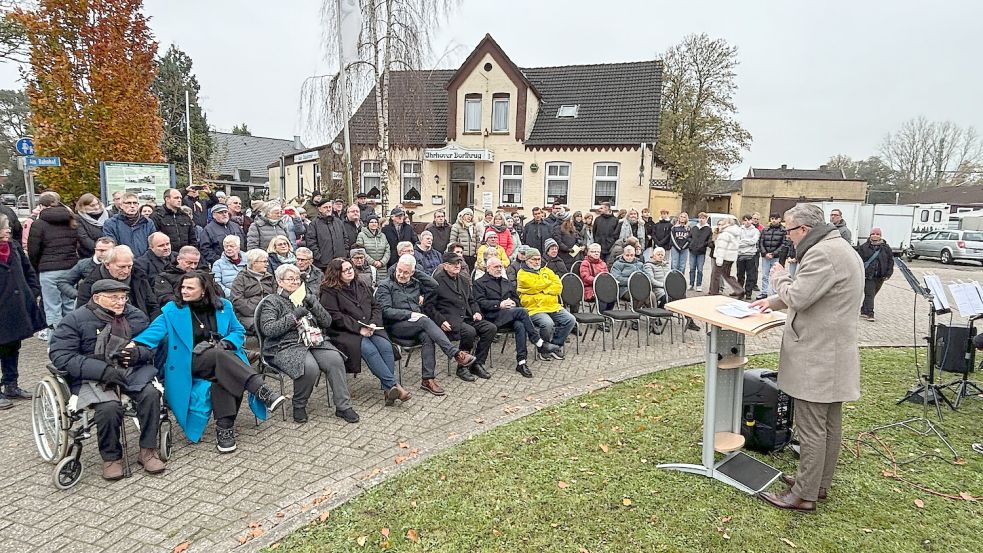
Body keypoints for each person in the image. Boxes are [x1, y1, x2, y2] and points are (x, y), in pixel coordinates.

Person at [751, 204, 863, 513]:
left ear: (803, 230)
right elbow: (817, 294)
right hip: (833, 353)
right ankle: (817, 483)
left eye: (788, 230)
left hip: (818, 356)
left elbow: (799, 296)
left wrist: (779, 278)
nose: (787, 237)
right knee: (829, 425)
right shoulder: (839, 247)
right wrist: (773, 302)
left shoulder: (820, 253)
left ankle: (803, 495)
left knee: (812, 427)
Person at [135, 272, 285, 453]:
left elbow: (238, 331)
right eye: (182, 287)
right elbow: (154, 332)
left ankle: (225, 428)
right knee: (218, 356)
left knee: (222, 376)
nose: (184, 291)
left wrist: (228, 341)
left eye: (190, 287)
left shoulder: (224, 306)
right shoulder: (173, 310)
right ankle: (262, 390)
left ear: (204, 290)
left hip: (222, 362)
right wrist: (134, 344)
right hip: (188, 364)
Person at [49, 279, 164, 479]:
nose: (121, 302)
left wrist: (139, 354)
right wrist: (101, 370)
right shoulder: (75, 320)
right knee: (109, 407)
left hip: (130, 371)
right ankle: (111, 457)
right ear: (96, 298)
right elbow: (61, 356)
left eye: (123, 297)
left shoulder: (135, 316)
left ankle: (148, 450)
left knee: (150, 394)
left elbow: (151, 344)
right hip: (92, 377)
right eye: (114, 298)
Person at [257, 263, 357, 424]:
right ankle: (299, 404)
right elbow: (269, 330)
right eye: (290, 279)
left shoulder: (305, 296)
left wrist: (314, 304)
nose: (295, 282)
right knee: (309, 368)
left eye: (297, 279)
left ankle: (343, 406)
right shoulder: (272, 301)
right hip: (284, 345)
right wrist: (294, 316)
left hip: (313, 340)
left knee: (335, 360)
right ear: (280, 282)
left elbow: (326, 322)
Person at [376, 254, 476, 396]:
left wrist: (415, 272)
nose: (401, 275)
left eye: (406, 272)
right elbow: (386, 311)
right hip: (396, 326)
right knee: (424, 320)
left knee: (427, 336)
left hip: (417, 325)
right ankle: (455, 353)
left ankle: (427, 379)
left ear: (412, 272)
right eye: (399, 270)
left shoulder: (415, 282)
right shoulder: (386, 285)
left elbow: (434, 285)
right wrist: (410, 315)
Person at [319, 258, 409, 404]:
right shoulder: (328, 291)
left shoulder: (360, 283)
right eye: (345, 270)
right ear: (336, 273)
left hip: (370, 327)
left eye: (350, 268)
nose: (349, 272)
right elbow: (334, 317)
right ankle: (394, 386)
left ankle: (388, 390)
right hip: (345, 332)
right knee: (370, 350)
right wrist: (359, 328)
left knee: (386, 347)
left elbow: (376, 306)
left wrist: (373, 323)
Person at [474, 256, 560, 375]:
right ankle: (538, 342)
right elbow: (479, 302)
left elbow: (516, 298)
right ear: (488, 268)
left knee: (520, 325)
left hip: (509, 315)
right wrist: (500, 304)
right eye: (496, 267)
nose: (499, 269)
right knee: (522, 312)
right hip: (491, 317)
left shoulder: (506, 282)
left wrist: (514, 303)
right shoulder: (479, 283)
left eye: (501, 266)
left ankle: (521, 362)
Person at [0, 214, 44, 409]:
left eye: (8, 227)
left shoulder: (14, 247)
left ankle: (11, 384)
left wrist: (33, 291)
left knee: (12, 347)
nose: (8, 230)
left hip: (16, 308)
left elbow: (29, 271)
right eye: (3, 227)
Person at [431, 252, 497, 381]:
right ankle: (462, 367)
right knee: (469, 332)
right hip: (450, 320)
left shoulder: (463, 279)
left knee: (490, 328)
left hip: (467, 316)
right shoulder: (437, 281)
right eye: (454, 263)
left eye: (459, 263)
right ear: (445, 265)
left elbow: (471, 300)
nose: (457, 265)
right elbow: (429, 307)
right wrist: (441, 320)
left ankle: (477, 363)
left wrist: (476, 311)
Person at [28, 192, 79, 339]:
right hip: (70, 268)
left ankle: (56, 344)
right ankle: (71, 341)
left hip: (48, 270)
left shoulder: (39, 223)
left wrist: (37, 267)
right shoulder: (71, 220)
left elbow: (33, 250)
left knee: (52, 309)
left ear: (42, 206)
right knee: (69, 306)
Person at [516, 248, 574, 355]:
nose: (537, 262)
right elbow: (533, 286)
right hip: (534, 308)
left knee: (570, 320)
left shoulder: (546, 270)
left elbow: (558, 287)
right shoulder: (522, 273)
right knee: (547, 323)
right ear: (527, 260)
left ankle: (555, 345)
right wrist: (548, 285)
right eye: (534, 259)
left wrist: (542, 289)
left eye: (538, 259)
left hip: (552, 306)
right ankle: (544, 349)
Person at [77, 245, 159, 317]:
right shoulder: (89, 285)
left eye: (129, 266)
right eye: (121, 267)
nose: (126, 271)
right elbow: (85, 315)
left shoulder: (140, 277)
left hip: (142, 324)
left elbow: (152, 306)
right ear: (107, 265)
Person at [57, 236, 116, 304]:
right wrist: (78, 295)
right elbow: (63, 282)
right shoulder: (84, 264)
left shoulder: (119, 264)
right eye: (99, 250)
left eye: (105, 250)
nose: (102, 253)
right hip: (89, 303)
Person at [230, 249, 276, 332]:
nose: (267, 264)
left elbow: (276, 296)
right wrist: (258, 311)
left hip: (269, 313)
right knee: (264, 328)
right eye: (264, 261)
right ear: (254, 263)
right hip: (247, 316)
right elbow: (237, 301)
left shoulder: (270, 278)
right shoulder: (240, 279)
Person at [856, 228, 894, 321]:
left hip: (880, 275)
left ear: (880, 235)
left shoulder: (886, 248)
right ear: (870, 235)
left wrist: (888, 273)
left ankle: (864, 309)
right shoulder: (864, 247)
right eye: (873, 233)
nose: (875, 235)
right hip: (869, 275)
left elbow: (890, 261)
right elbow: (859, 260)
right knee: (870, 293)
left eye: (877, 234)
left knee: (873, 293)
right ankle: (870, 313)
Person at [305, 199, 346, 270]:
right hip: (323, 264)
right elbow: (311, 242)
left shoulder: (338, 222)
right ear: (319, 209)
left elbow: (345, 238)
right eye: (325, 207)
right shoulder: (314, 224)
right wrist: (319, 256)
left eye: (330, 207)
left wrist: (345, 253)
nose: (328, 209)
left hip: (340, 261)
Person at [709, 218, 744, 297]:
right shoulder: (735, 232)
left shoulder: (725, 234)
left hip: (723, 257)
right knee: (726, 275)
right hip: (730, 258)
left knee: (715, 275)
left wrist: (719, 260)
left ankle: (713, 292)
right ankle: (739, 289)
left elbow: (722, 248)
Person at [758, 213, 788, 299]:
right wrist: (764, 253)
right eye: (772, 218)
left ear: (779, 219)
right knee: (764, 275)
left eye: (775, 218)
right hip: (766, 256)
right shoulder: (765, 229)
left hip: (776, 256)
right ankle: (764, 292)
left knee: (775, 275)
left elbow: (784, 244)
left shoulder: (783, 230)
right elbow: (761, 241)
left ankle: (775, 293)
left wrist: (774, 253)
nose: (773, 220)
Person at [75, 193, 110, 259]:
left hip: (110, 253)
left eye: (97, 204)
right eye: (92, 205)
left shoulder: (109, 214)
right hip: (89, 255)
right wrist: (100, 250)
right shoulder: (78, 218)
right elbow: (83, 238)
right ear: (83, 206)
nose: (96, 207)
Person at [735, 215, 761, 300]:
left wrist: (744, 241)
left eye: (748, 220)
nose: (747, 222)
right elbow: (737, 242)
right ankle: (740, 292)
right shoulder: (739, 230)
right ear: (742, 221)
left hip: (751, 255)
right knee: (740, 275)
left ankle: (748, 292)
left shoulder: (756, 231)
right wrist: (747, 242)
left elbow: (753, 241)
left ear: (751, 221)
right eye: (745, 220)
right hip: (740, 255)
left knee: (750, 275)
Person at [579, 243, 609, 309]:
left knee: (612, 295)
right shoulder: (585, 263)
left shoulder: (603, 264)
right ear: (589, 253)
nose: (596, 253)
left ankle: (608, 315)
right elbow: (586, 277)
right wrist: (598, 281)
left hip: (603, 287)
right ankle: (602, 315)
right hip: (589, 288)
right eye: (593, 252)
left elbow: (607, 276)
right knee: (603, 296)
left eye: (598, 252)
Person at [688, 212, 712, 292]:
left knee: (700, 269)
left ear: (706, 219)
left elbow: (709, 240)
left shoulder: (708, 229)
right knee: (692, 268)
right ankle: (691, 284)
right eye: (700, 218)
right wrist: (691, 243)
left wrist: (703, 245)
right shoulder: (694, 227)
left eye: (703, 218)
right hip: (692, 251)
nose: (701, 220)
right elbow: (689, 237)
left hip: (701, 252)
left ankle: (699, 284)